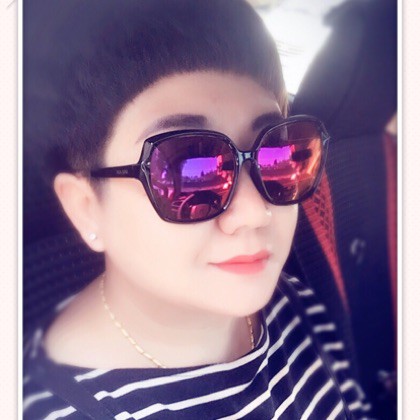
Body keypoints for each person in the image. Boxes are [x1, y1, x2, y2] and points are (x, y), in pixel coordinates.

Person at [23, 0, 371, 418]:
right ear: (85, 208)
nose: (254, 213)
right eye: (188, 171)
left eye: (276, 155)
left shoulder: (295, 300)